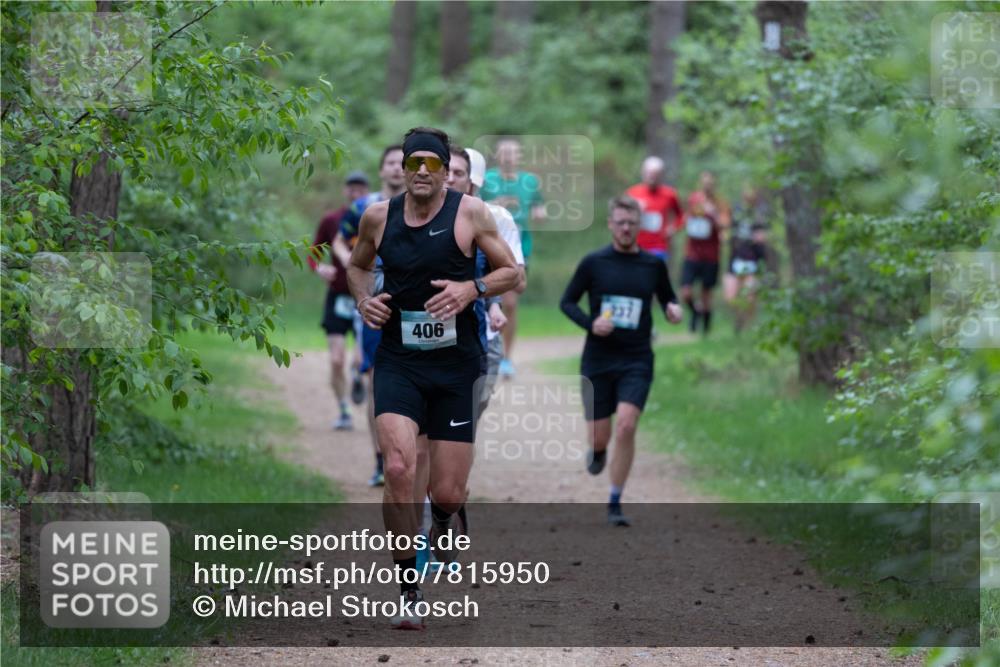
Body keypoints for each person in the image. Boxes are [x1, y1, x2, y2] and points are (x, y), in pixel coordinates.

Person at [347, 127, 518, 629]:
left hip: (456, 366)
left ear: (446, 171)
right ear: (402, 168)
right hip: (399, 361)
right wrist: (364, 301)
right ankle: (408, 590)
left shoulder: (471, 213)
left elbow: (511, 272)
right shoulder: (378, 217)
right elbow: (357, 267)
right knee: (399, 468)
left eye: (433, 163)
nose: (422, 171)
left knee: (446, 491)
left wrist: (472, 289)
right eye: (413, 162)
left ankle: (443, 518)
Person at [560, 195, 682, 527]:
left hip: (636, 359)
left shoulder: (653, 265)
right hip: (598, 359)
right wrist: (591, 324)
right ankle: (598, 450)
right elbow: (567, 302)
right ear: (610, 225)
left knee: (627, 425)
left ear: (640, 225)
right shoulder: (593, 262)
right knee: (600, 437)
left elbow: (668, 297)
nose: (626, 228)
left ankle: (615, 500)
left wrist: (672, 309)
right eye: (620, 222)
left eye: (631, 222)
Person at [335, 146, 406, 487]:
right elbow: (339, 241)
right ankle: (381, 460)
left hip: (416, 306)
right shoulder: (364, 207)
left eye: (402, 163)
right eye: (390, 163)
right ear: (381, 170)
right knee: (378, 381)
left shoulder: (428, 206)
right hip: (376, 303)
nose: (396, 169)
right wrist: (353, 264)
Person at [309, 171, 370, 431]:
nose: (356, 194)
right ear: (345, 191)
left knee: (360, 359)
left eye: (360, 189)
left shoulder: (375, 218)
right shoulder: (332, 220)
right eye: (351, 189)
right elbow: (314, 252)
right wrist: (319, 268)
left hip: (365, 297)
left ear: (367, 192)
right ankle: (344, 410)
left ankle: (357, 376)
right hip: (337, 296)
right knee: (336, 359)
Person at [480, 138, 545, 379]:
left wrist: (540, 213)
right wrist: (498, 204)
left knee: (510, 303)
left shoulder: (530, 181)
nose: (508, 156)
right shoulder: (487, 180)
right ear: (497, 156)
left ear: (519, 157)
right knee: (483, 296)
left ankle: (507, 358)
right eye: (504, 152)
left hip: (518, 247)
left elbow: (539, 208)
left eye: (513, 152)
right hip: (487, 245)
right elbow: (474, 205)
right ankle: (485, 349)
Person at [680, 171, 730, 335]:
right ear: (700, 183)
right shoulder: (694, 199)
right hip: (692, 253)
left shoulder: (720, 203)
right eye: (704, 183)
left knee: (706, 294)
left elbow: (725, 225)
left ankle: (706, 329)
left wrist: (713, 213)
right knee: (686, 292)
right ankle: (695, 312)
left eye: (710, 183)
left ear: (714, 185)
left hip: (711, 255)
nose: (707, 186)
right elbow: (685, 218)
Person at [723, 185, 774, 333]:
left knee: (750, 298)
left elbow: (770, 232)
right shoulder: (736, 210)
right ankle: (739, 318)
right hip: (735, 259)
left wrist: (764, 236)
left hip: (754, 260)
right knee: (730, 298)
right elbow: (725, 226)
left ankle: (747, 326)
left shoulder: (762, 212)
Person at [625, 156, 685, 263]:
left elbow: (681, 216)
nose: (651, 177)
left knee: (655, 272)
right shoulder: (632, 193)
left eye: (655, 174)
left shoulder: (669, 194)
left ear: (661, 175)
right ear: (643, 173)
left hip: (659, 246)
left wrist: (672, 228)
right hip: (635, 245)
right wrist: (634, 210)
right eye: (649, 173)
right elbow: (620, 218)